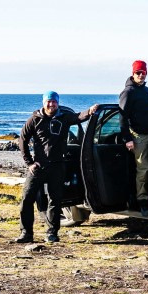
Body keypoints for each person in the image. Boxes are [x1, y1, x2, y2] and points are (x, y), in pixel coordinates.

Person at [17, 91, 98, 243]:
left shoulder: (64, 117)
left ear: (57, 103)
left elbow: (79, 117)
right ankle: (26, 233)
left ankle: (51, 233)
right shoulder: (34, 120)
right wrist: (29, 163)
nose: (51, 104)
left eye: (54, 102)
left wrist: (90, 111)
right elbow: (22, 140)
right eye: (48, 101)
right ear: (43, 103)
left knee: (55, 201)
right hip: (38, 167)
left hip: (58, 166)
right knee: (27, 199)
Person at [119, 60, 148, 214]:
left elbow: (146, 110)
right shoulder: (127, 93)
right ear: (133, 74)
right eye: (138, 73)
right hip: (138, 136)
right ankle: (142, 201)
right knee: (144, 169)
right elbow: (122, 117)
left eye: (143, 72)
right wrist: (127, 139)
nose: (141, 75)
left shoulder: (146, 90)